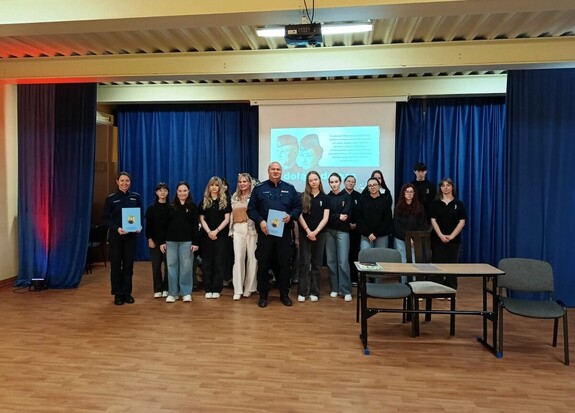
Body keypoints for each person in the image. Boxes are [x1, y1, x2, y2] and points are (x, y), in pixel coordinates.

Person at [247, 161, 302, 308]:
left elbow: (298, 208)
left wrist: (290, 216)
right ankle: (263, 296)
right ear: (268, 171)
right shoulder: (259, 189)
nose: (276, 171)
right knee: (264, 264)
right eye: (273, 169)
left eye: (278, 169)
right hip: (265, 234)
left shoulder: (290, 189)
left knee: (284, 265)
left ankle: (284, 294)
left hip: (284, 234)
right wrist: (260, 221)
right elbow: (251, 210)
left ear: (281, 171)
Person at [102, 171, 142, 306]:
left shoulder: (135, 197)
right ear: (117, 182)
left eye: (127, 181)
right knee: (115, 265)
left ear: (130, 182)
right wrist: (117, 228)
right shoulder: (111, 199)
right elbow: (105, 218)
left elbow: (139, 215)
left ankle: (127, 292)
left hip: (131, 237)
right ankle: (117, 293)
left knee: (128, 265)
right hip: (116, 236)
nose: (125, 183)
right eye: (122, 181)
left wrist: (139, 226)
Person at [163, 181, 200, 303]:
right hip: (171, 241)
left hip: (187, 242)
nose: (182, 193)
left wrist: (195, 242)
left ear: (188, 191)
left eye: (184, 191)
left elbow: (195, 226)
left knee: (186, 267)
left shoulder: (193, 207)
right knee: (171, 267)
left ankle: (186, 292)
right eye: (180, 191)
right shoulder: (170, 206)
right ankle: (172, 293)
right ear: (176, 192)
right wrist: (163, 241)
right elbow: (164, 225)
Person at [297, 171, 330, 302]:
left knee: (317, 263)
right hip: (304, 233)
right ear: (308, 182)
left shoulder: (325, 198)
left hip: (319, 234)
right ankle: (302, 292)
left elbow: (325, 218)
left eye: (315, 179)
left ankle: (314, 292)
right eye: (310, 180)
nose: (313, 182)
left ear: (319, 180)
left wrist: (315, 232)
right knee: (304, 263)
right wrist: (307, 231)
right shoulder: (302, 196)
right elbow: (299, 215)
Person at [429, 177, 467, 290]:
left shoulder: (458, 204)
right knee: (438, 265)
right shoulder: (435, 203)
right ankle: (438, 289)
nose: (445, 188)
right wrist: (441, 235)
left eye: (448, 185)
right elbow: (433, 220)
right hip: (437, 239)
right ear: (440, 188)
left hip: (454, 241)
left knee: (452, 266)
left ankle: (451, 289)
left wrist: (451, 236)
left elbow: (462, 222)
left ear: (452, 187)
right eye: (443, 185)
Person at [198, 176, 232, 299]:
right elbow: (202, 219)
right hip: (206, 237)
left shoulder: (225, 202)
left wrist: (216, 231)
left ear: (220, 187)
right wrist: (209, 232)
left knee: (219, 263)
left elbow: (227, 219)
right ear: (208, 187)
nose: (214, 187)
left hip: (221, 237)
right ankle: (208, 289)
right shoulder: (203, 202)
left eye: (216, 185)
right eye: (212, 185)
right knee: (207, 263)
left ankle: (217, 289)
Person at [229, 173, 258, 301]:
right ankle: (238, 289)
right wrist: (231, 231)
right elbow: (231, 215)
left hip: (251, 229)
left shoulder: (255, 196)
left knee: (252, 259)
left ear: (250, 183)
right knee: (238, 259)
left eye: (245, 182)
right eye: (240, 182)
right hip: (238, 229)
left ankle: (249, 288)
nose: (242, 184)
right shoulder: (234, 197)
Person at [325, 173, 353, 302]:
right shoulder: (327, 197)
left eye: (336, 181)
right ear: (329, 183)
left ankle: (346, 290)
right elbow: (327, 216)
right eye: (331, 182)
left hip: (343, 232)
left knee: (343, 261)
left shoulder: (346, 196)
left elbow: (346, 215)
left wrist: (334, 216)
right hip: (329, 231)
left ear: (340, 182)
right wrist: (337, 216)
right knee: (331, 261)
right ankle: (334, 288)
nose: (334, 184)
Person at [394, 183, 429, 281]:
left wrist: (413, 237)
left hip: (415, 240)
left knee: (414, 262)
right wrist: (407, 238)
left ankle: (414, 285)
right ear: (403, 193)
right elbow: (397, 225)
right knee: (403, 262)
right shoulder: (398, 207)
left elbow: (423, 224)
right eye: (407, 192)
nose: (409, 194)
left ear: (414, 194)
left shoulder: (420, 207)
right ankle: (403, 284)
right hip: (401, 239)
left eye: (411, 192)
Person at [145, 181, 170, 298]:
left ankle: (166, 288)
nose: (162, 192)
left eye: (165, 190)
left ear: (168, 192)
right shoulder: (151, 208)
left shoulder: (171, 207)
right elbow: (148, 226)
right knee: (156, 266)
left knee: (169, 266)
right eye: (160, 190)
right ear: (156, 192)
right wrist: (149, 239)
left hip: (169, 242)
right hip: (155, 242)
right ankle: (158, 289)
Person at [356, 177, 393, 250]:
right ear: (368, 188)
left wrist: (376, 234)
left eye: (374, 185)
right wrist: (368, 234)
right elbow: (359, 218)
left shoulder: (385, 200)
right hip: (366, 235)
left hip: (382, 235)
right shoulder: (362, 200)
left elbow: (387, 219)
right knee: (365, 256)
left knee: (381, 256)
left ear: (379, 186)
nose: (372, 187)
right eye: (370, 185)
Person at [344, 175, 362, 286]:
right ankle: (344, 279)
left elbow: (362, 213)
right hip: (343, 229)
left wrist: (356, 224)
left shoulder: (359, 196)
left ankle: (354, 278)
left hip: (356, 230)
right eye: (349, 181)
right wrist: (348, 224)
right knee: (344, 255)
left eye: (353, 181)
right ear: (344, 182)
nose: (351, 183)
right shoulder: (340, 195)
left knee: (354, 254)